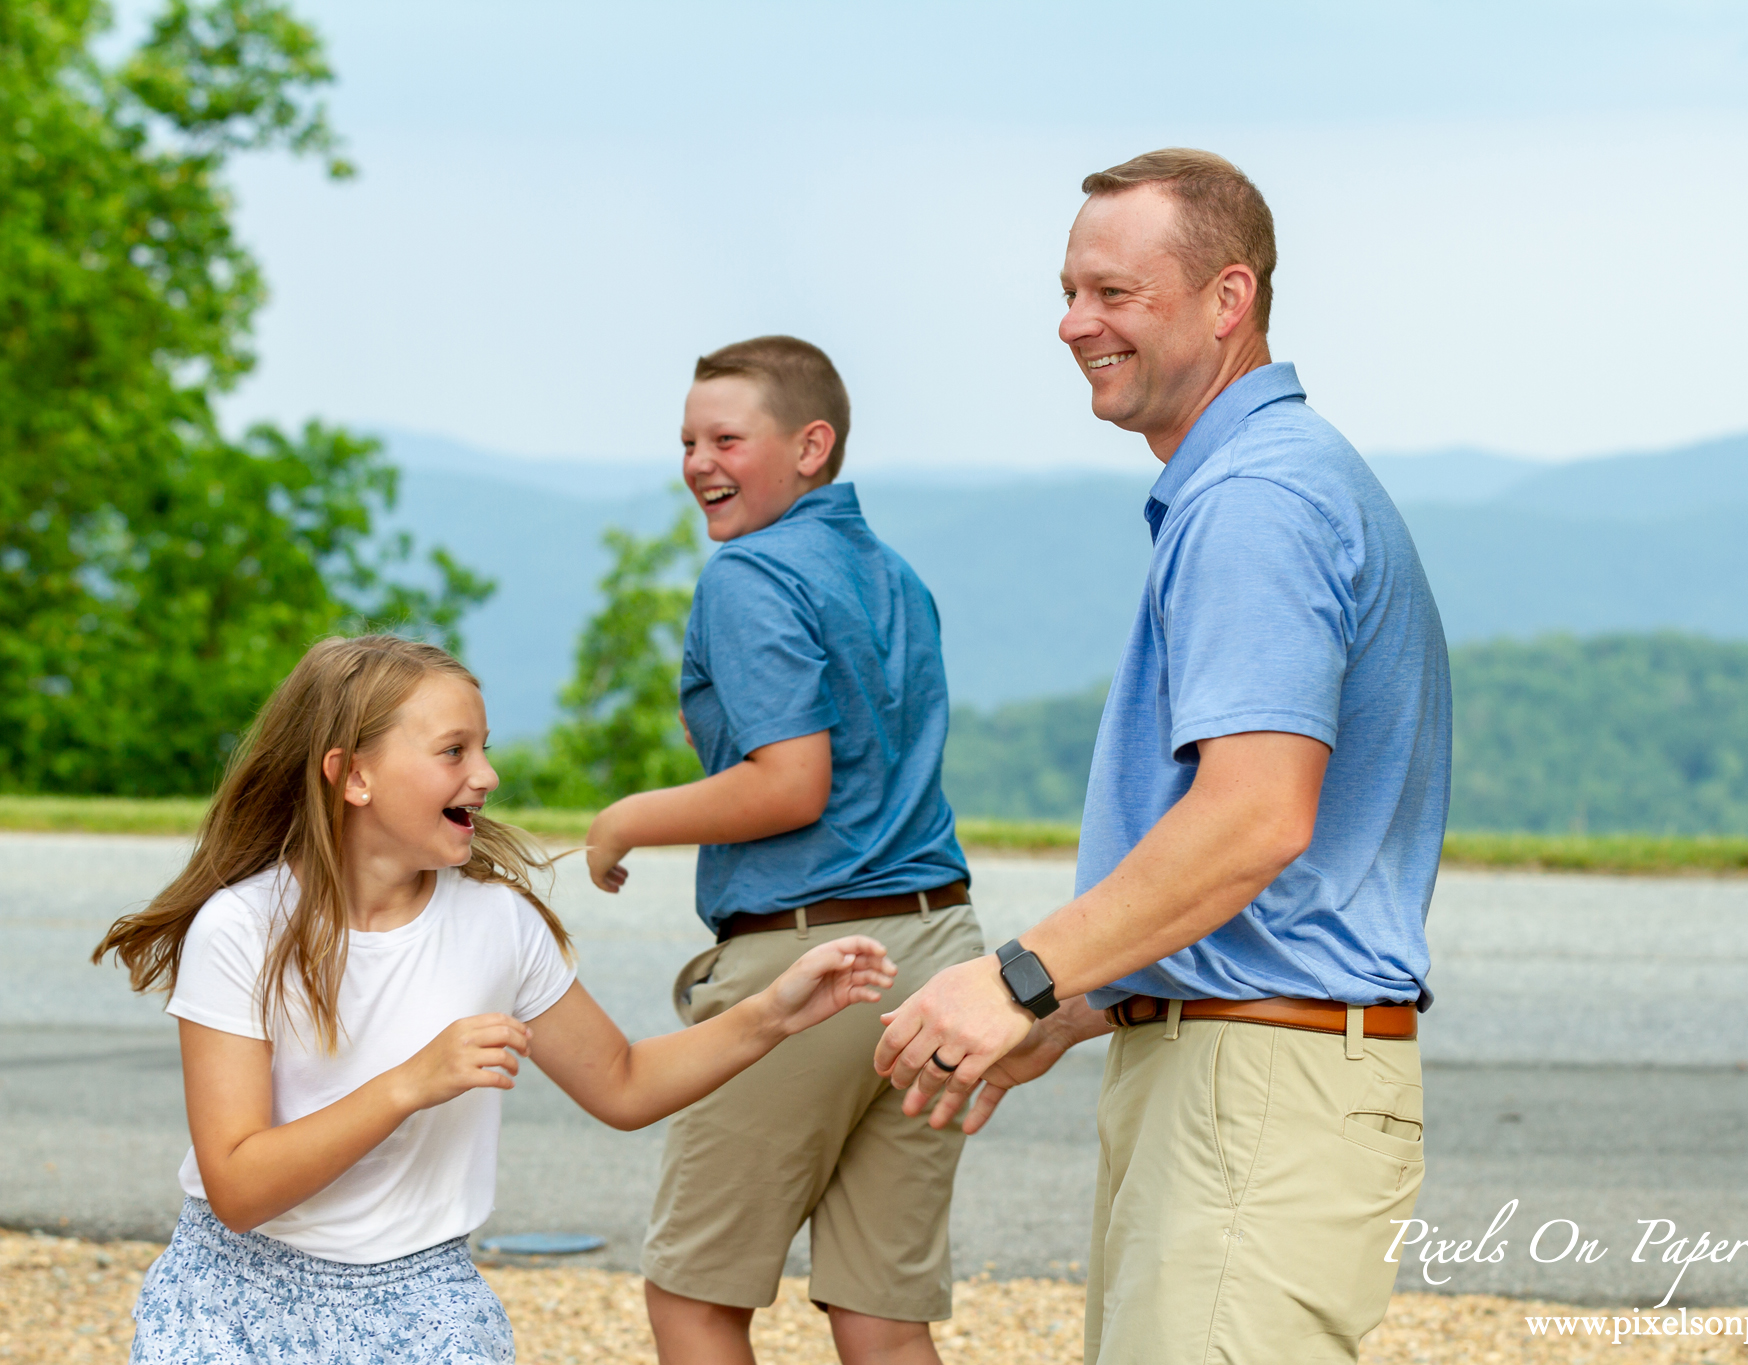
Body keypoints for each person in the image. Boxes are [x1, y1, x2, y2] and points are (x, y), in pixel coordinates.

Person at [873, 149, 1453, 1365]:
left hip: (1256, 1095)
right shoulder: (1261, 483)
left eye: (1114, 294)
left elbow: (1255, 820)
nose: (1073, 323)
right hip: (1248, 1075)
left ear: (1226, 300)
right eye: (1070, 290)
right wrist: (1086, 1004)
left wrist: (1016, 978)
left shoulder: (1255, 502)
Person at [92, 634, 894, 1365]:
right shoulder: (241, 928)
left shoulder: (496, 921)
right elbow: (236, 1187)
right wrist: (411, 1082)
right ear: (353, 775)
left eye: (483, 748)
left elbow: (621, 1082)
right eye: (453, 750)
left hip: (424, 1305)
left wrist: (771, 1014)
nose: (486, 774)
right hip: (233, 1298)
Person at [582, 335, 981, 1365]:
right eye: (686, 440)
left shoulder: (746, 574)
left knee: (694, 1296)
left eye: (725, 438)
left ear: (812, 445)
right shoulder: (893, 575)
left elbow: (789, 785)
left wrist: (625, 817)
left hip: (811, 966)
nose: (698, 463)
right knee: (882, 1317)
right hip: (939, 953)